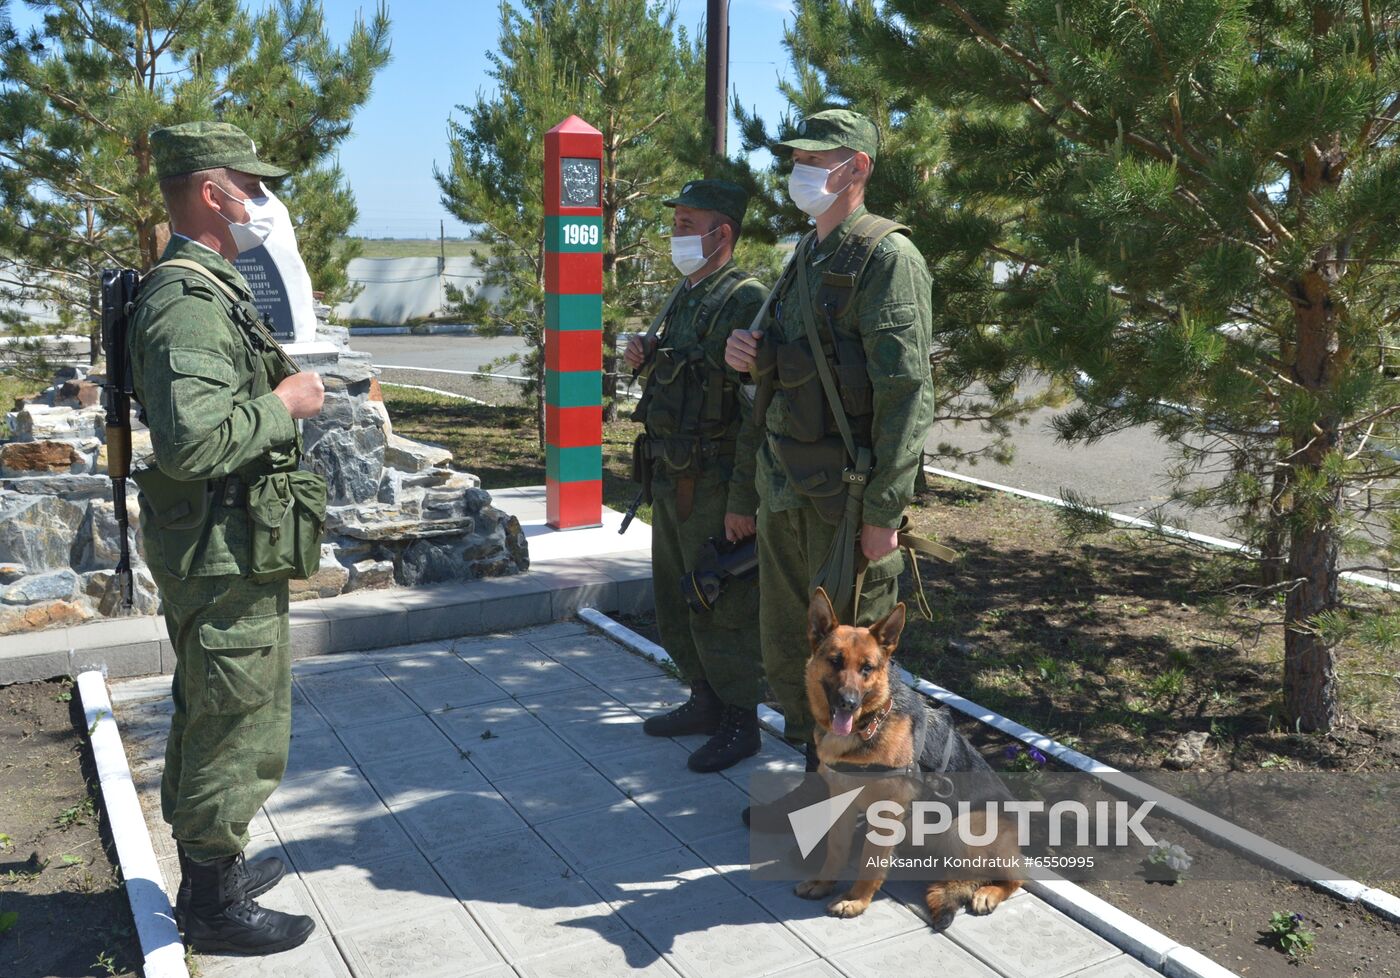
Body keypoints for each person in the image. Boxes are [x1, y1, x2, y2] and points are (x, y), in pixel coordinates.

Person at [130, 121, 325, 954]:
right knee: (233, 716)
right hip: (220, 547)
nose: (265, 201)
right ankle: (210, 902)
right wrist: (287, 404)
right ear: (212, 193)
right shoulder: (186, 302)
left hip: (231, 540)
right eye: (253, 184)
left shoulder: (209, 284)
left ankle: (214, 863)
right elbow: (193, 442)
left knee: (214, 705)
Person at [724, 109, 935, 824]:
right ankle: (815, 785)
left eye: (823, 156)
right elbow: (791, 375)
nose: (803, 167)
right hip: (787, 487)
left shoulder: (885, 259)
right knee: (794, 648)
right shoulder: (804, 258)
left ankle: (865, 812)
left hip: (845, 502)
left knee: (858, 668)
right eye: (800, 154)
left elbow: (908, 395)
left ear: (859, 168)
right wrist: (746, 361)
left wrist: (884, 513)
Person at [625, 179, 770, 772]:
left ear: (723, 233)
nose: (675, 235)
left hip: (714, 483)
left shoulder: (744, 298)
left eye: (687, 224)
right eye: (676, 223)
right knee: (676, 597)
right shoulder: (684, 295)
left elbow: (754, 410)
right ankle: (704, 699)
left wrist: (743, 500)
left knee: (722, 600)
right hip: (669, 476)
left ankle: (742, 721)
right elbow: (684, 385)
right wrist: (645, 358)